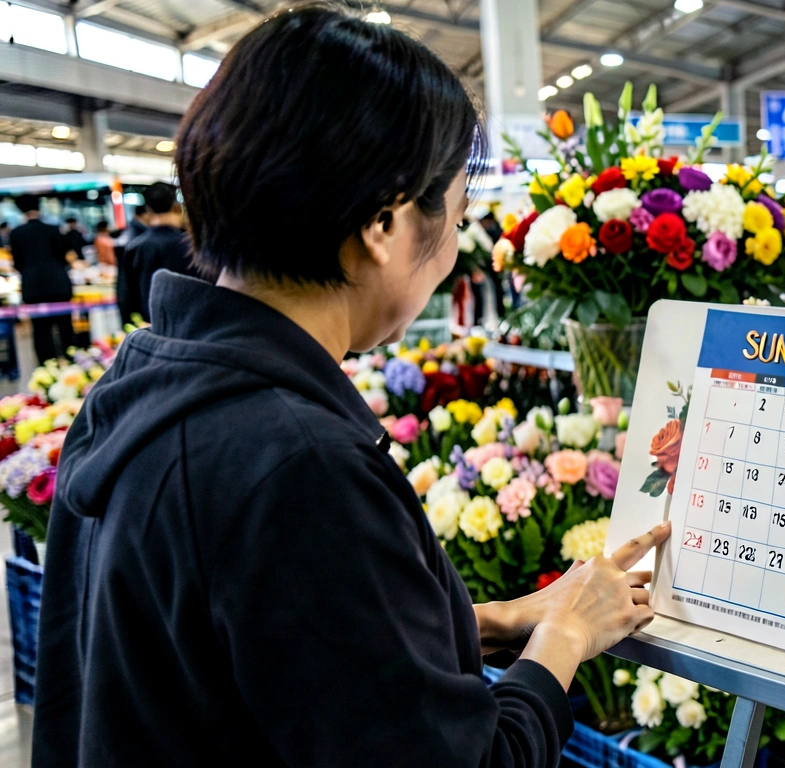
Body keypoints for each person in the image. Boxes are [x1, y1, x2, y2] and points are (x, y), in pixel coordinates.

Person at [34, 8, 668, 767]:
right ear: (385, 222)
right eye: (457, 211)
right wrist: (563, 643)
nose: (452, 250)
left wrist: (491, 621)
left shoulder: (143, 385)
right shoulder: (296, 463)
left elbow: (264, 652)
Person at [118, 181, 198, 325]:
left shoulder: (134, 248)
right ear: (177, 207)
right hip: (190, 326)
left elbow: (125, 297)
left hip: (150, 327)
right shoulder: (193, 246)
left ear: (148, 210)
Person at [7, 194, 74, 363]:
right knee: (65, 326)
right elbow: (63, 256)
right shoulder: (53, 229)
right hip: (59, 284)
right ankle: (73, 364)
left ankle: (47, 368)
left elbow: (18, 262)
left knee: (40, 330)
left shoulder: (16, 234)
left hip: (33, 287)